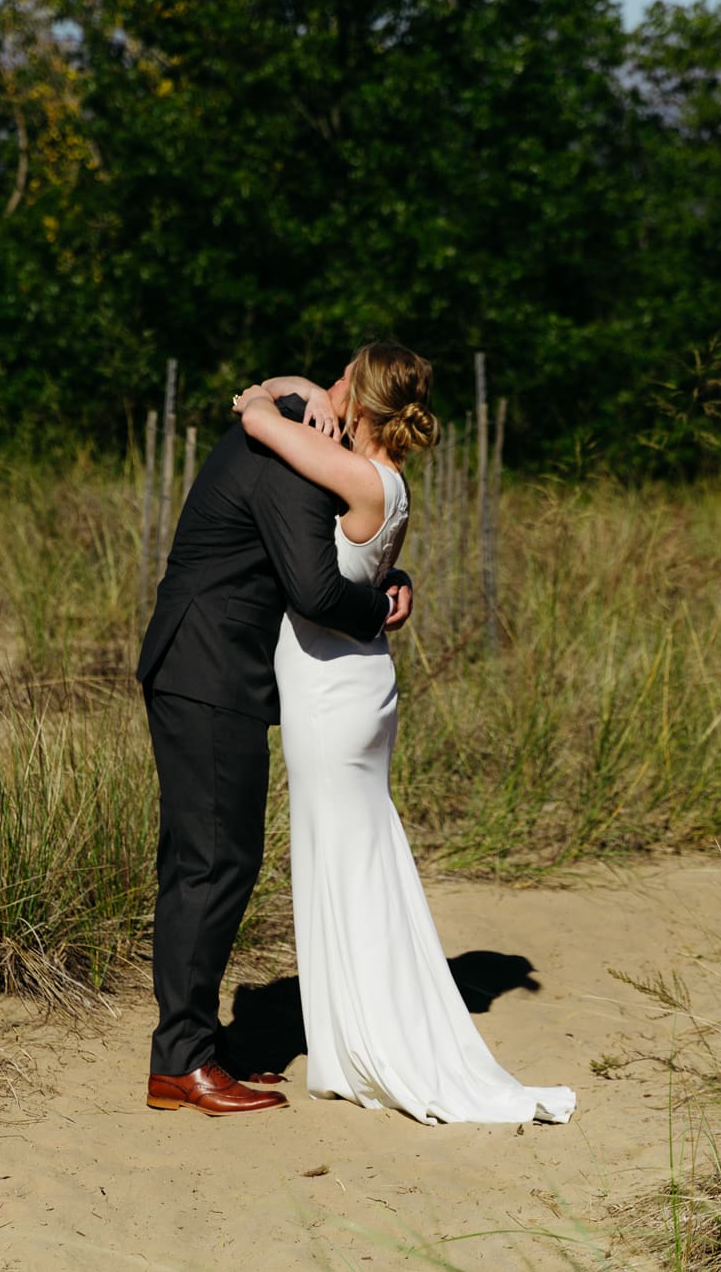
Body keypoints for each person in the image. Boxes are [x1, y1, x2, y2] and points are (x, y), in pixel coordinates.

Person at [232, 342, 577, 1125]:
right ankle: (350, 1032)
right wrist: (292, 390)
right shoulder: (387, 478)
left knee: (344, 864)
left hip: (331, 694)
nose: (328, 385)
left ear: (361, 399)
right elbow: (286, 390)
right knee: (349, 856)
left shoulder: (354, 474)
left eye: (342, 376)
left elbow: (258, 418)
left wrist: (263, 400)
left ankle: (365, 1040)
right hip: (357, 685)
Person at [136, 359, 413, 1116]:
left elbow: (319, 554)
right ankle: (181, 1061)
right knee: (214, 861)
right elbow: (316, 588)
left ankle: (193, 1044)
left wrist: (390, 574)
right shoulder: (288, 448)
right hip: (208, 669)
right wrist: (379, 604)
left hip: (204, 664)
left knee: (208, 856)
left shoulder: (289, 415)